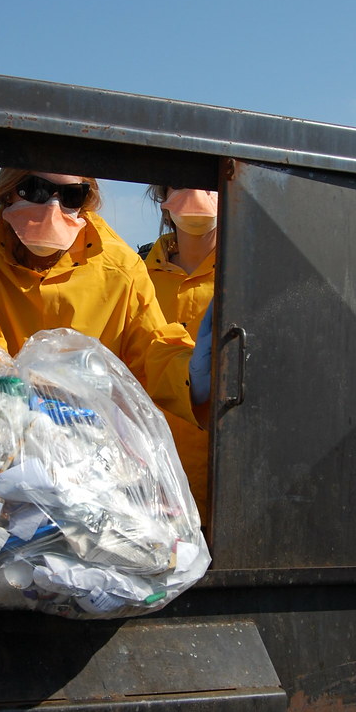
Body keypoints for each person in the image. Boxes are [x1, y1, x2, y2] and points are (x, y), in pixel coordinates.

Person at [0, 169, 208, 433]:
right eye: (37, 190)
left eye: (71, 196)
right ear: (8, 192)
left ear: (86, 201)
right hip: (6, 430)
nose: (53, 207)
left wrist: (192, 375)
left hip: (94, 439)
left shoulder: (121, 267)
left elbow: (152, 353)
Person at [143, 186, 217, 521]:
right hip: (146, 490)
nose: (198, 193)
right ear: (163, 197)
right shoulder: (134, 275)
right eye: (184, 182)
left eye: (209, 181)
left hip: (225, 488)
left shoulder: (255, 276)